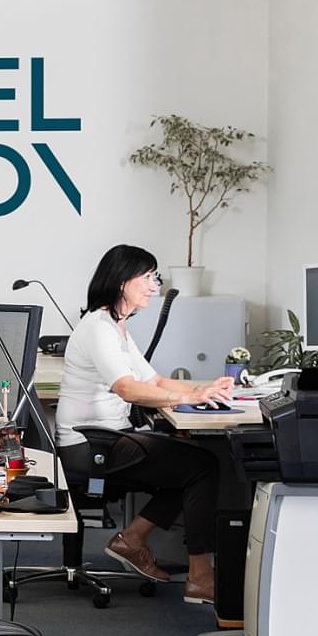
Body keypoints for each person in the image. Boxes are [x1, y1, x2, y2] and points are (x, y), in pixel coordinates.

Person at [53, 244, 236, 610]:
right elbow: (126, 388)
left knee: (191, 465)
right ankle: (199, 577)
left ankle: (133, 540)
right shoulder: (99, 328)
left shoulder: (116, 326)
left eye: (156, 278)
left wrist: (203, 389)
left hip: (109, 438)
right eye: (148, 278)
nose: (154, 286)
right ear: (122, 281)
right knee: (200, 466)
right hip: (90, 445)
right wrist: (186, 397)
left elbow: (153, 381)